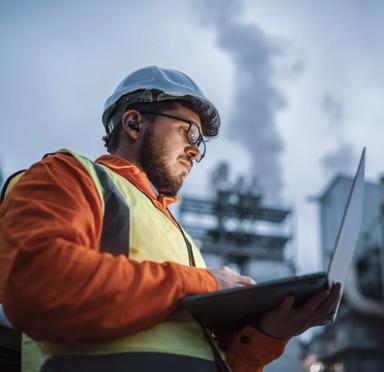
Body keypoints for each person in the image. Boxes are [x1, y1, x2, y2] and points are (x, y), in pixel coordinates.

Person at [0, 66, 340, 372]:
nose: (195, 150)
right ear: (134, 123)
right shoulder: (69, 176)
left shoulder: (182, 239)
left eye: (200, 144)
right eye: (188, 133)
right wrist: (204, 283)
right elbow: (38, 283)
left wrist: (268, 334)